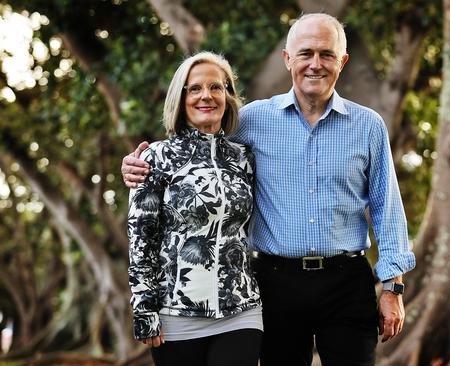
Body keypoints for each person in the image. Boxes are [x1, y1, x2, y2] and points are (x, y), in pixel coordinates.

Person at [123, 13, 415, 366]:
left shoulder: (368, 126)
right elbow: (199, 146)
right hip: (276, 283)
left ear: (343, 61)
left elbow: (387, 207)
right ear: (287, 59)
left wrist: (393, 287)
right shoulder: (251, 120)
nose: (315, 64)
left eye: (326, 54)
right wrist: (141, 164)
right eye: (305, 53)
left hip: (347, 282)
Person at [127, 51, 262, 366]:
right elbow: (141, 237)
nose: (207, 96)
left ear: (227, 96)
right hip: (176, 314)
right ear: (181, 97)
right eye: (195, 88)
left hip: (242, 311)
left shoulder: (245, 158)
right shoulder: (155, 158)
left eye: (216, 87)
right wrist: (144, 309)